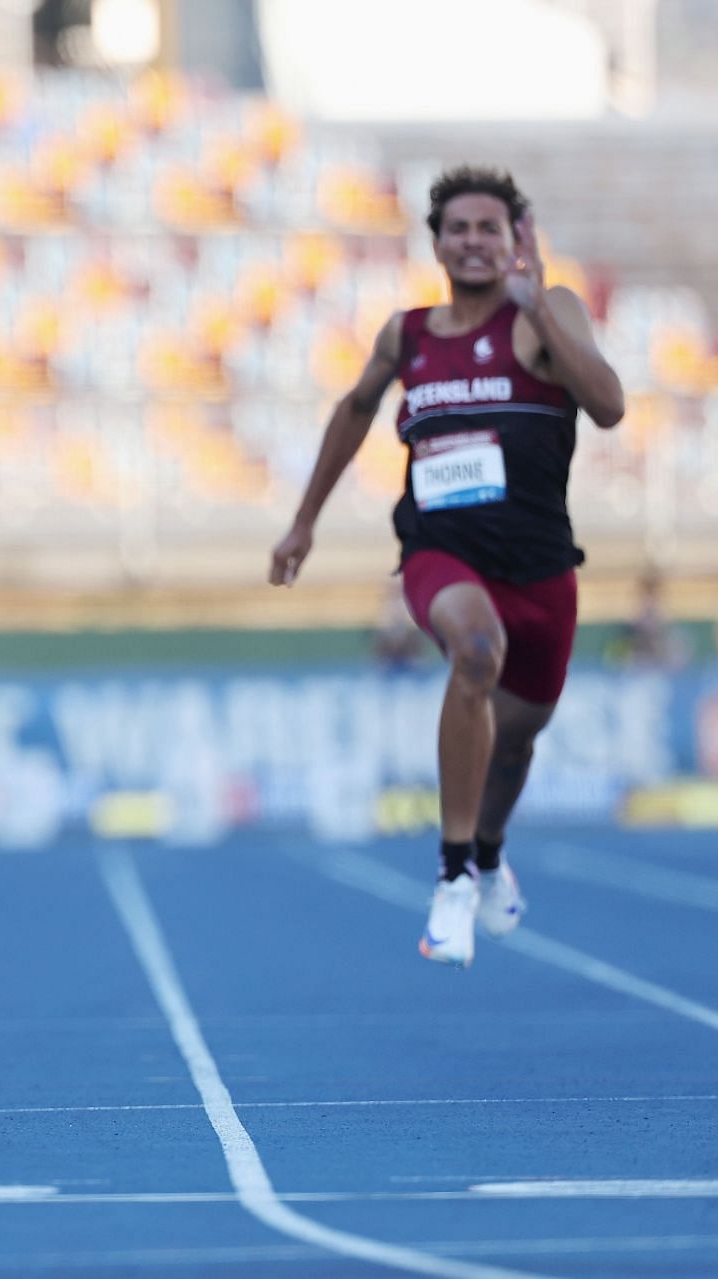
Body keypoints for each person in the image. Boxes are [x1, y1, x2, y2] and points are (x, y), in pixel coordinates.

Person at [270, 167, 624, 967]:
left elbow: (607, 405)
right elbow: (355, 409)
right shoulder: (409, 335)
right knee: (472, 651)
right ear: (435, 243)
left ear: (514, 239)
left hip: (538, 564)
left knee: (516, 740)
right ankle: (454, 874)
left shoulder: (547, 313)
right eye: (457, 228)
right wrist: (303, 522)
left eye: (488, 228)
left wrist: (538, 302)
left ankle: (491, 850)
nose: (472, 241)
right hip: (440, 550)